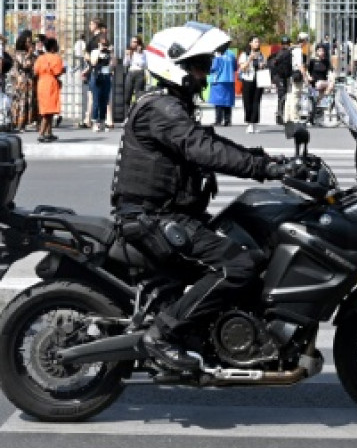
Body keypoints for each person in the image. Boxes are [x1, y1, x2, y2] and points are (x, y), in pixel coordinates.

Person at [110, 21, 297, 373]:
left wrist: (271, 161)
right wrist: (265, 170)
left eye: (206, 66)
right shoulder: (161, 110)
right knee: (237, 266)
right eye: (199, 66)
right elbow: (204, 150)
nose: (205, 74)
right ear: (173, 65)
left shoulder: (172, 107)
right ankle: (163, 334)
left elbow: (211, 143)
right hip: (153, 219)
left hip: (166, 215)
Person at [34, 37, 65, 142]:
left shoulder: (40, 58)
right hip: (51, 84)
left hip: (41, 84)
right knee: (48, 111)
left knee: (48, 110)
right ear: (52, 47)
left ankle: (49, 132)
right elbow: (58, 72)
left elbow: (35, 72)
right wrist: (62, 71)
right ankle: (42, 133)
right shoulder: (57, 58)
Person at [237, 36, 267, 134]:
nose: (257, 43)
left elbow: (264, 65)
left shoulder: (261, 54)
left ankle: (254, 123)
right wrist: (249, 59)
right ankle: (249, 123)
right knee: (247, 102)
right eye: (255, 42)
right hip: (248, 79)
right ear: (250, 43)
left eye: (258, 42)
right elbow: (242, 68)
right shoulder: (244, 54)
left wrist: (262, 65)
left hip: (259, 80)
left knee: (256, 102)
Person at [10, 30, 37, 132]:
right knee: (20, 102)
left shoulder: (32, 55)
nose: (30, 44)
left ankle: (25, 123)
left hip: (29, 81)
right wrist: (30, 54)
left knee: (28, 103)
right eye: (28, 42)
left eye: (31, 42)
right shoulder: (19, 53)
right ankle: (18, 124)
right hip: (21, 82)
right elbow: (25, 64)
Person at [88, 35, 115, 132]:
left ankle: (102, 121)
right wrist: (99, 51)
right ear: (99, 43)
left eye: (106, 44)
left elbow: (113, 65)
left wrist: (111, 53)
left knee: (105, 100)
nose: (104, 46)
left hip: (106, 76)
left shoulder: (108, 53)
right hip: (97, 77)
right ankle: (95, 123)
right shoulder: (94, 52)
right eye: (102, 44)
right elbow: (93, 63)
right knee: (96, 100)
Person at [268, 35, 295, 125]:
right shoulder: (283, 53)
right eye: (284, 44)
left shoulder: (285, 52)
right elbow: (275, 63)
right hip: (280, 77)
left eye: (286, 43)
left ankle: (280, 115)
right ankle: (280, 116)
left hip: (284, 76)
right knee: (282, 96)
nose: (285, 45)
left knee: (283, 96)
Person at [208, 47, 237, 127]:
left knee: (218, 102)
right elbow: (235, 67)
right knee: (227, 101)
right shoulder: (231, 54)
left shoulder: (216, 54)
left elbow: (213, 67)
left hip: (218, 79)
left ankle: (218, 120)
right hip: (229, 79)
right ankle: (228, 120)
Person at [123, 36, 148, 111]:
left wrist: (138, 54)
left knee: (139, 96)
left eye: (135, 42)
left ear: (139, 43)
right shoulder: (130, 51)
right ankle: (126, 117)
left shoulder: (143, 53)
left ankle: (138, 115)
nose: (133, 44)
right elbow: (125, 64)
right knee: (127, 96)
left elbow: (144, 64)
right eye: (132, 42)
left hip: (139, 73)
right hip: (131, 72)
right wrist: (127, 56)